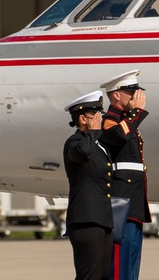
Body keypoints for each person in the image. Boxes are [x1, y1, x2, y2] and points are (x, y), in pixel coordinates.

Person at [100, 70, 150, 280]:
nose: (136, 96)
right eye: (131, 92)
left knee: (132, 267)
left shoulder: (128, 123)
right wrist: (136, 112)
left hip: (134, 205)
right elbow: (118, 136)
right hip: (120, 206)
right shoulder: (109, 121)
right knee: (119, 268)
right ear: (117, 95)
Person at [63, 90, 113, 280]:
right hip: (86, 220)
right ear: (83, 119)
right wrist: (92, 132)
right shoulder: (74, 142)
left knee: (103, 275)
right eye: (96, 116)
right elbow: (82, 154)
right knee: (89, 276)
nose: (100, 119)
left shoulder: (98, 145)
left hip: (102, 220)